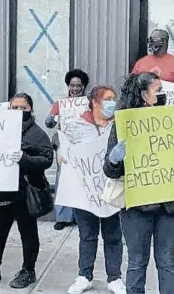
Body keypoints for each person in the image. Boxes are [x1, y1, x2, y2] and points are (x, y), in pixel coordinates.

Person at [103, 72, 174, 294]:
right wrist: (114, 158)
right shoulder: (125, 124)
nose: (163, 94)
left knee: (167, 263)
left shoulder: (172, 120)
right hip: (137, 208)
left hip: (168, 206)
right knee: (137, 263)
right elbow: (109, 170)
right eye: (158, 90)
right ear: (143, 95)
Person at [0, 93, 54, 289]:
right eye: (14, 108)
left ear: (30, 110)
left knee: (27, 233)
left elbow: (47, 160)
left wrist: (23, 158)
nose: (19, 112)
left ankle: (28, 270)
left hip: (24, 194)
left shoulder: (37, 134)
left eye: (23, 108)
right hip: (1, 193)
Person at [64, 86, 126, 294]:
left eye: (114, 98)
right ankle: (84, 275)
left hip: (111, 190)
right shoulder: (76, 125)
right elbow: (62, 145)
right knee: (87, 235)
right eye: (108, 99)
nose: (112, 103)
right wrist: (61, 154)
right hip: (85, 191)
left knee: (113, 235)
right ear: (94, 102)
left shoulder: (119, 126)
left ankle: (114, 277)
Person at [45, 69, 90, 231]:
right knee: (63, 181)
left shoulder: (88, 103)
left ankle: (80, 216)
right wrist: (53, 117)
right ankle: (63, 217)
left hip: (83, 146)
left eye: (79, 85)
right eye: (72, 85)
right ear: (68, 86)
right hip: (64, 147)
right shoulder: (60, 103)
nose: (75, 88)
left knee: (82, 181)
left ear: (83, 86)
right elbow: (48, 123)